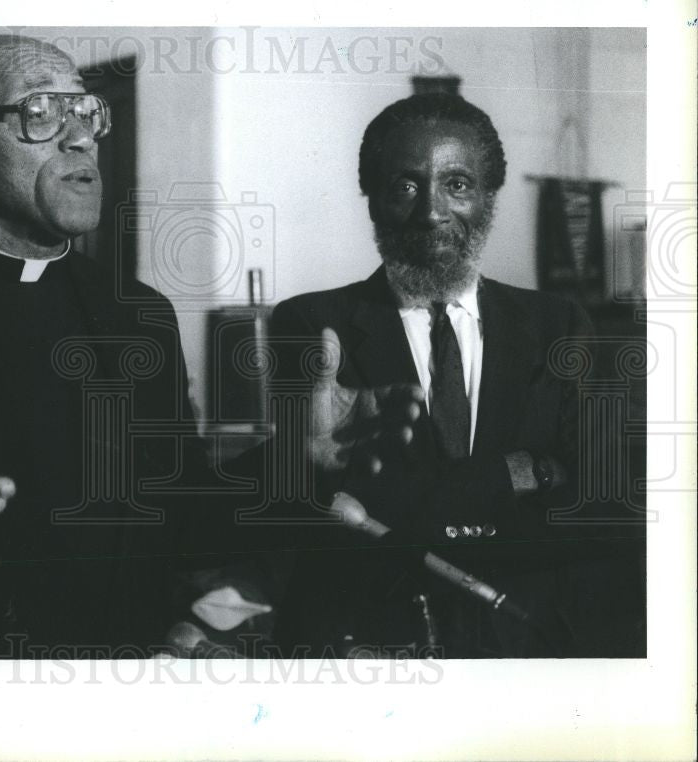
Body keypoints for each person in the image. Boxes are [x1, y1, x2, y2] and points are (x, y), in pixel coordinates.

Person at [0, 34, 421, 659]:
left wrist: (293, 464)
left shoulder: (139, 317)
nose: (82, 138)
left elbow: (177, 516)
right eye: (42, 112)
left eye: (89, 113)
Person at [268, 93, 644, 658]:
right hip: (367, 642)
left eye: (458, 184)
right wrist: (522, 474)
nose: (432, 211)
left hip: (523, 637)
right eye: (406, 185)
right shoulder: (313, 325)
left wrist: (403, 505)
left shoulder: (559, 325)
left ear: (489, 199)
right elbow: (322, 506)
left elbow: (601, 503)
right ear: (372, 200)